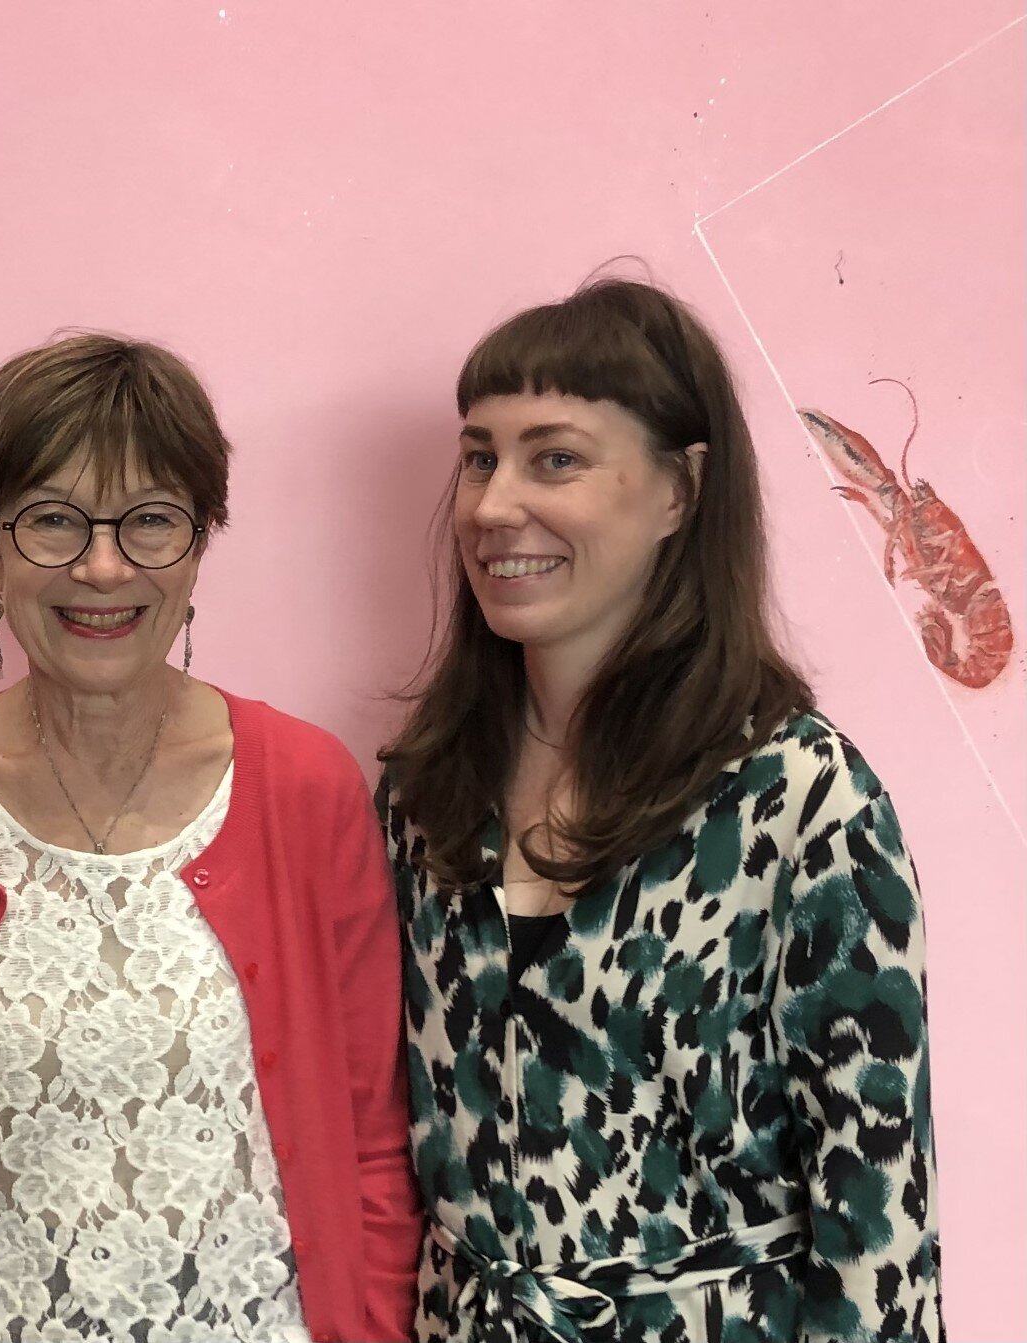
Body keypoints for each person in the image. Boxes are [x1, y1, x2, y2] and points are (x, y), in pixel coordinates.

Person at [379, 276, 943, 1341]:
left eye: (556, 457)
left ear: (681, 492)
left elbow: (880, 1219)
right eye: (479, 456)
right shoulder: (424, 792)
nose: (495, 505)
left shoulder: (802, 801)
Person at [0, 332, 424, 1343]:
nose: (102, 567)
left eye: (151, 520)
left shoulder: (307, 788)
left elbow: (372, 1138)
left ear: (201, 540)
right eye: (53, 521)